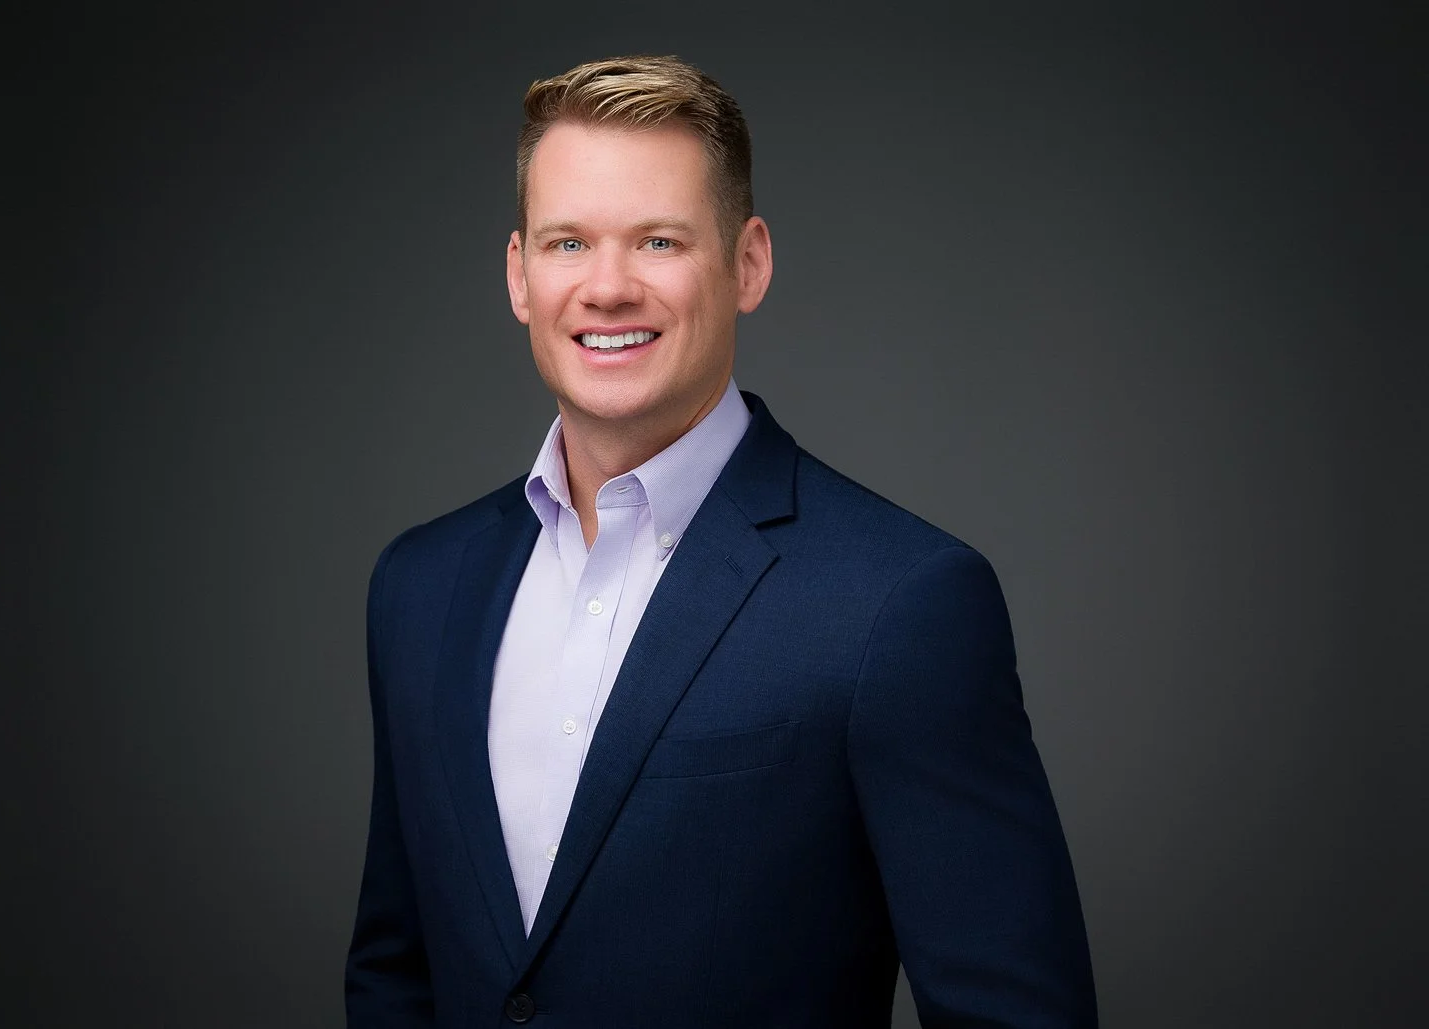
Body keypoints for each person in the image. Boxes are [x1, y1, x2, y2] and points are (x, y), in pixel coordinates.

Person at [345, 55, 1096, 1028]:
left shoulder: (899, 601)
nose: (606, 288)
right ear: (518, 274)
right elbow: (395, 973)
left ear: (749, 264)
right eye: (568, 243)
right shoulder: (421, 584)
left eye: (658, 240)